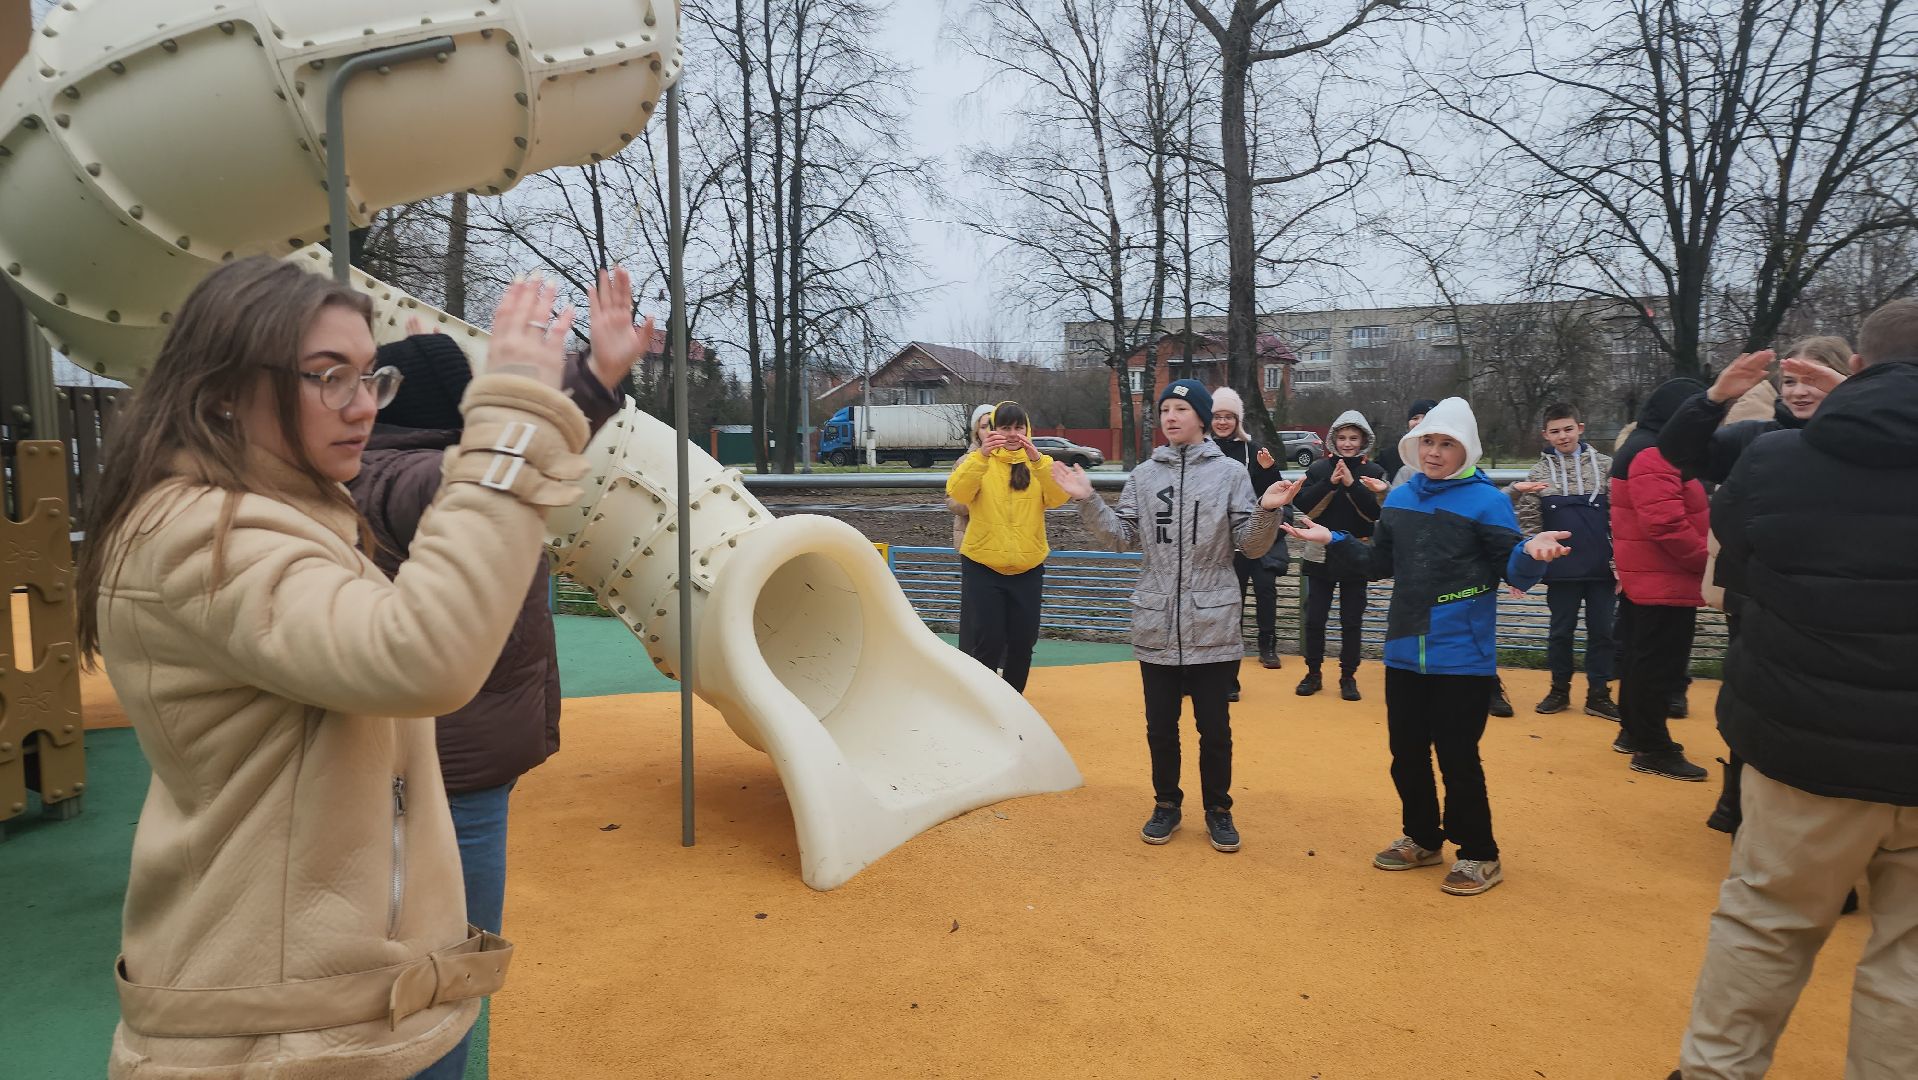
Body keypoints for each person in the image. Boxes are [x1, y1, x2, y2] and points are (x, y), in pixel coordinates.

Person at [78, 258, 590, 1078]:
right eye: (327, 378)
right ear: (220, 391)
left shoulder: (283, 510)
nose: (361, 406)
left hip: (342, 1006)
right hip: (297, 1036)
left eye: (369, 377)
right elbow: (420, 655)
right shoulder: (200, 538)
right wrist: (516, 415)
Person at [349, 269, 642, 1079]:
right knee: (442, 971)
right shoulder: (390, 479)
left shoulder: (446, 468)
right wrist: (527, 395)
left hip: (469, 763)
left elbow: (512, 462)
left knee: (457, 961)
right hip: (434, 775)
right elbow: (478, 478)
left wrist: (591, 382)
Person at [1669, 299, 1918, 1080]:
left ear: (1855, 367)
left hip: (1806, 740)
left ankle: (1716, 1071)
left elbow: (1738, 570)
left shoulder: (1779, 460)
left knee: (1766, 923)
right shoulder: (1775, 447)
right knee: (1909, 960)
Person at [1280, 397, 1571, 896]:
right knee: (1405, 753)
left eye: (1447, 444)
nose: (1434, 452)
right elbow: (1379, 564)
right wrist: (1336, 542)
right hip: (1403, 650)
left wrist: (1535, 555)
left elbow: (1513, 567)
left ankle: (1480, 853)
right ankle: (1422, 837)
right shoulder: (1402, 496)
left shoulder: (1487, 501)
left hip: (1462, 655)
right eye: (1428, 442)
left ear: (1467, 449)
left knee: (1458, 757)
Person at [1052, 379, 1285, 854]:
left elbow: (1252, 544)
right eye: (1165, 410)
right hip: (1156, 620)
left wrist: (1268, 511)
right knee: (1160, 727)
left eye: (1182, 409)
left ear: (1202, 417)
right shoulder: (1143, 475)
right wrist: (1086, 499)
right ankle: (1166, 804)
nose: (1171, 417)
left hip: (1212, 621)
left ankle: (1219, 810)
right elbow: (1122, 537)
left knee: (1214, 728)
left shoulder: (1230, 475)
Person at [1656, 337, 1851, 832]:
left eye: (1814, 379)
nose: (1799, 392)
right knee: (1750, 704)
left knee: (1819, 716)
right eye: (1790, 381)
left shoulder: (1868, 445)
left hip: (1834, 605)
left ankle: (1811, 826)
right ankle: (1736, 804)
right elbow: (1677, 452)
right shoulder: (1754, 438)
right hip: (1756, 599)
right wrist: (1713, 398)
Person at [1609, 378, 1711, 781]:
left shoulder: (1640, 445)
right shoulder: (1656, 453)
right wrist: (1708, 563)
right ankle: (1654, 747)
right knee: (1658, 667)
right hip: (1664, 579)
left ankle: (1634, 733)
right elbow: (1666, 525)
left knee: (1640, 660)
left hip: (1648, 578)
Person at [946, 402, 1071, 693]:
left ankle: (1014, 704)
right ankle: (988, 707)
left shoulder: (1041, 464)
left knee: (1022, 643)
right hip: (983, 566)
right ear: (994, 430)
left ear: (1027, 430)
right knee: (986, 642)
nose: (1012, 434)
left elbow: (1058, 498)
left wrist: (1037, 460)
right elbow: (958, 495)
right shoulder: (977, 462)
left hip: (1027, 567)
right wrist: (982, 456)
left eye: (1018, 427)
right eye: (1005, 428)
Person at [1509, 403, 1619, 720]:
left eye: (1568, 429)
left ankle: (1599, 694)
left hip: (1602, 568)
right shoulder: (1538, 473)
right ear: (1546, 434)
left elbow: (1619, 516)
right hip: (1561, 570)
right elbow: (1528, 522)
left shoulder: (1606, 465)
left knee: (1603, 632)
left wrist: (1620, 561)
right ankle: (1559, 690)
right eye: (1555, 431)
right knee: (1560, 632)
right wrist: (1532, 563)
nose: (1563, 436)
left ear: (1580, 428)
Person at [1293, 409, 1388, 701]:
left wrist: (1351, 484)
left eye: (1354, 438)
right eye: (1342, 437)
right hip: (1319, 552)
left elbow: (1375, 514)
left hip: (1357, 552)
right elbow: (1304, 506)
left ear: (1363, 441)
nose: (1347, 443)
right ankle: (1313, 673)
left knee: (1351, 620)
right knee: (1315, 618)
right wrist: (1331, 483)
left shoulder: (1374, 472)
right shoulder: (1319, 469)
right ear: (1333, 439)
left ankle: (1348, 676)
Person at [1208, 386, 1289, 687]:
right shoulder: (1203, 449)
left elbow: (1275, 492)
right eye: (1218, 416)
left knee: (1265, 590)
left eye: (1229, 417)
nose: (1223, 422)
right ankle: (1230, 665)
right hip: (1222, 540)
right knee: (1232, 600)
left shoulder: (1253, 450)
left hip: (1256, 533)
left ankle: (1267, 645)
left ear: (1238, 420)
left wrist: (1269, 470)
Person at [1381, 397, 1438, 488]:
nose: (1419, 422)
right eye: (1415, 418)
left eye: (1425, 417)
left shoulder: (1444, 454)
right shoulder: (1390, 455)